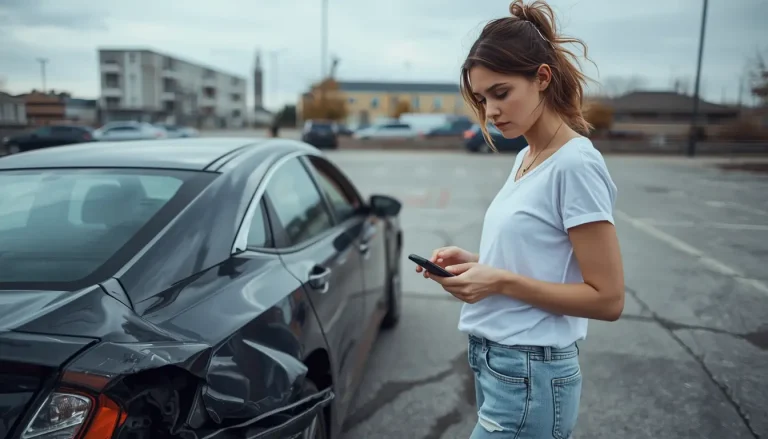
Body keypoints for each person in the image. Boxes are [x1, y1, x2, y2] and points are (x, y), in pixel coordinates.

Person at [415, 1, 625, 438]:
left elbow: (608, 299)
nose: (490, 110)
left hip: (531, 372)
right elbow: (541, 258)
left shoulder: (576, 165)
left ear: (542, 78)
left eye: (501, 92)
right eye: (481, 98)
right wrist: (475, 263)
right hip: (500, 366)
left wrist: (499, 282)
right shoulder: (527, 157)